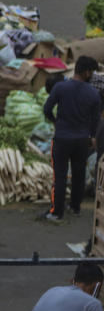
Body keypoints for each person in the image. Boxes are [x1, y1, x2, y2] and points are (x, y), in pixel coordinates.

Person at [42, 55, 101, 221]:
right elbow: (96, 121)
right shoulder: (93, 94)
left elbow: (47, 109)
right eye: (92, 72)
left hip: (62, 138)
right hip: (82, 141)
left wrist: (56, 122)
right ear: (87, 72)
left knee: (59, 176)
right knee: (78, 174)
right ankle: (75, 207)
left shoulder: (60, 87)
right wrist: (91, 137)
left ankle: (56, 213)